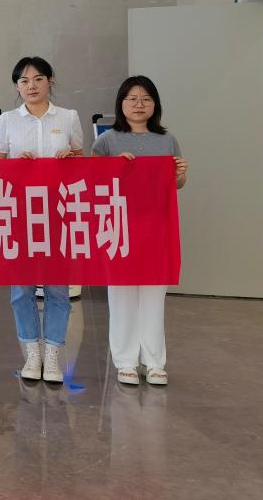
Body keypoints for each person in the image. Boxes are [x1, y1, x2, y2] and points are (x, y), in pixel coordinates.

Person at [0, 56, 83, 383]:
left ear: (50, 81)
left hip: (59, 212)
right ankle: (31, 353)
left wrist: (70, 159)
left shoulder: (68, 117)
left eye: (38, 79)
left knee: (58, 288)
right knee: (22, 289)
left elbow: (82, 164)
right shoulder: (7, 120)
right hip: (20, 213)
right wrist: (15, 164)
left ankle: (53, 354)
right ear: (17, 86)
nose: (31, 86)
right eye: (24, 81)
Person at [92, 75, 187, 386]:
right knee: (121, 296)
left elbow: (175, 185)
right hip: (120, 227)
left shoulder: (167, 140)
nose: (139, 104)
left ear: (155, 105)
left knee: (154, 296)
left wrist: (180, 174)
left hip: (157, 227)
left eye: (146, 99)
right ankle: (125, 361)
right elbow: (92, 181)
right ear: (121, 103)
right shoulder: (107, 141)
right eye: (132, 98)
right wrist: (113, 166)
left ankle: (155, 362)